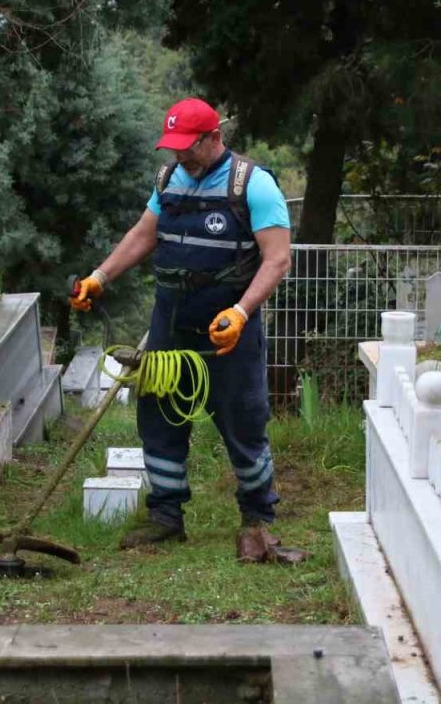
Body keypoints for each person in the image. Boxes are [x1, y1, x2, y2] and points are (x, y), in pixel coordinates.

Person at [70, 97, 302, 563]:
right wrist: (99, 276)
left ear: (214, 138)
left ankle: (258, 518)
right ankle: (165, 516)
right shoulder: (169, 180)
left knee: (241, 419)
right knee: (158, 414)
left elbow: (277, 258)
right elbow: (143, 234)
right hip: (171, 321)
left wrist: (240, 312)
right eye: (172, 148)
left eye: (187, 148)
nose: (179, 157)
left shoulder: (252, 185)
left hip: (227, 327)